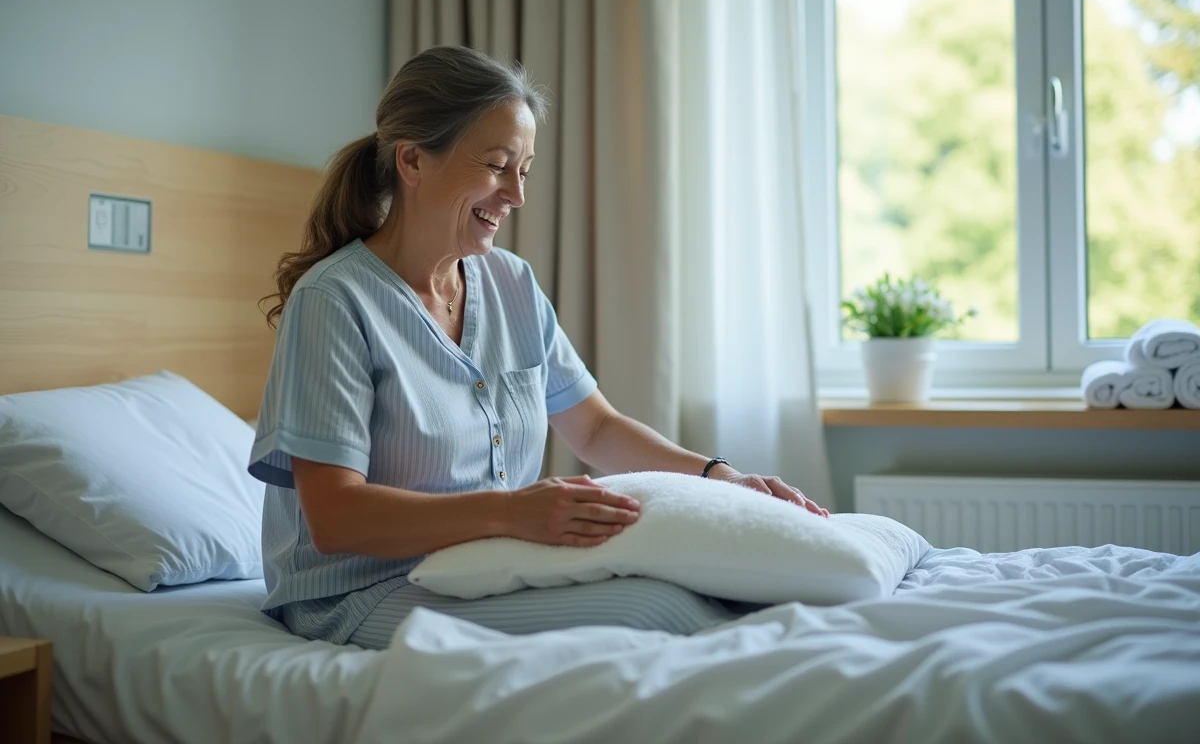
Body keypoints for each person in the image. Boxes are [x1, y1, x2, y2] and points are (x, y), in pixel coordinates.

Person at [248, 45, 827, 649]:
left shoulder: (511, 283)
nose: (516, 196)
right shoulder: (335, 302)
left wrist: (720, 477)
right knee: (659, 615)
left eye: (523, 170)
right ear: (414, 162)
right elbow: (336, 516)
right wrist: (510, 513)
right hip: (357, 593)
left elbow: (597, 430)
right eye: (498, 165)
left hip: (484, 567)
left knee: (706, 592)